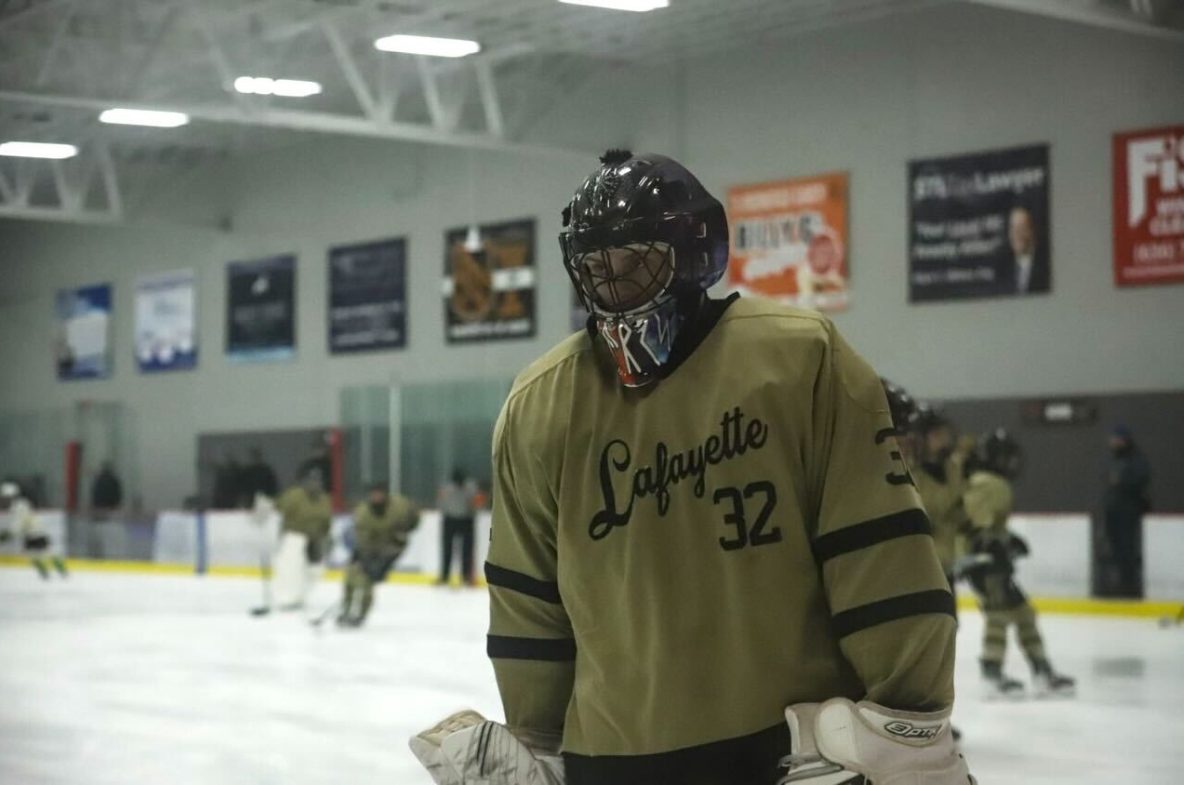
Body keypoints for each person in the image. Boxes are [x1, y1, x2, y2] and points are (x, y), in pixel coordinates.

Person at [410, 150, 974, 785]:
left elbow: (874, 554)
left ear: (692, 250)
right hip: (637, 756)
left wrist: (908, 714)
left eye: (636, 263)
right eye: (597, 270)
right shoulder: (540, 403)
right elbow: (528, 598)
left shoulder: (797, 361)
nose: (616, 288)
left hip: (782, 756)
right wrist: (537, 736)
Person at [957, 429, 1074, 699]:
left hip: (992, 563)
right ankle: (992, 673)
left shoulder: (990, 482)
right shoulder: (987, 483)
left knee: (1023, 612)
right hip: (983, 565)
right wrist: (991, 546)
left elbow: (987, 525)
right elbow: (973, 524)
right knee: (998, 615)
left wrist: (1007, 540)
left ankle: (1041, 669)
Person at [908, 405, 971, 606]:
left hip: (945, 566)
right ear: (921, 439)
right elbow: (931, 511)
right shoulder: (910, 474)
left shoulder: (953, 469)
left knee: (949, 625)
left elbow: (958, 514)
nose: (944, 440)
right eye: (937, 435)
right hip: (920, 570)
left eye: (945, 434)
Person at [338, 483, 420, 628]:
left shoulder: (399, 506)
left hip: (391, 548)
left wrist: (405, 530)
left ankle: (361, 615)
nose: (376, 497)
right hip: (368, 549)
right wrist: (362, 556)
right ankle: (346, 609)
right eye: (374, 494)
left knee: (367, 582)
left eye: (380, 494)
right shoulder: (363, 512)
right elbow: (360, 536)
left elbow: (414, 517)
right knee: (351, 578)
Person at [270, 468, 332, 612]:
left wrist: (326, 535)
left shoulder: (324, 499)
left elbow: (326, 520)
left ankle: (301, 594)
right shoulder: (294, 495)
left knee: (314, 570)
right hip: (295, 536)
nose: (314, 485)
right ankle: (286, 597)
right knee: (291, 567)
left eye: (317, 482)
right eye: (311, 481)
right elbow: (277, 506)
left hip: (315, 538)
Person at [1102, 425, 1151, 597]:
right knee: (1116, 550)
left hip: (1128, 513)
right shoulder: (1115, 461)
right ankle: (1121, 584)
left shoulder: (1136, 461)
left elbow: (1140, 480)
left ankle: (1129, 586)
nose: (1113, 443)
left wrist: (1122, 481)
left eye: (1117, 440)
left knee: (1127, 550)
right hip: (1114, 512)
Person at [0, 482, 69, 579]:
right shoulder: (21, 504)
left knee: (40, 554)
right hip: (35, 532)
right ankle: (53, 572)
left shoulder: (18, 506)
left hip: (34, 533)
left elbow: (19, 523)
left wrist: (8, 534)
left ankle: (51, 572)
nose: (4, 499)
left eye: (5, 497)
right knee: (40, 554)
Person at [435, 467, 479, 586]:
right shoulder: (447, 488)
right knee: (447, 549)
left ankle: (466, 577)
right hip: (450, 519)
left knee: (467, 550)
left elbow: (474, 503)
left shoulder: (470, 487)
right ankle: (445, 576)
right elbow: (441, 502)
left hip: (466, 520)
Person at [1001, 205, 1049, 296]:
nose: (1016, 234)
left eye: (1021, 227)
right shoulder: (1003, 270)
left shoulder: (1045, 266)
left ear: (1032, 230)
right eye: (1013, 228)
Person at [89, 461, 125, 559]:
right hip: (111, 512)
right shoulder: (114, 480)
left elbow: (94, 495)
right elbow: (118, 495)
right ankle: (108, 555)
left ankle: (97, 553)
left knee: (99, 534)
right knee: (109, 535)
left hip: (99, 512)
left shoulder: (98, 480)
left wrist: (95, 507)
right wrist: (115, 506)